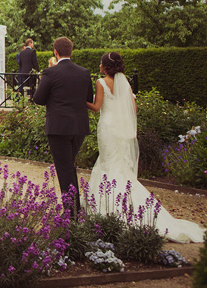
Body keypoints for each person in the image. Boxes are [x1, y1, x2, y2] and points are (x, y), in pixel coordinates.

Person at [86, 52, 205, 243]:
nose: (99, 66)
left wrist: (81, 102)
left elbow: (97, 107)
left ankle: (109, 208)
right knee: (120, 168)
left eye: (101, 63)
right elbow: (133, 109)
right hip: (121, 130)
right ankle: (131, 204)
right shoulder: (125, 84)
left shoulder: (101, 82)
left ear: (106, 67)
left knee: (108, 165)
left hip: (107, 127)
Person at [32, 36, 93, 217]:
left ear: (55, 52)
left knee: (64, 167)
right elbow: (88, 98)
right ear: (71, 52)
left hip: (58, 127)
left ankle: (70, 213)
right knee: (69, 166)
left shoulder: (50, 73)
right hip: (79, 126)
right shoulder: (84, 72)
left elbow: (38, 99)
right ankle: (74, 207)